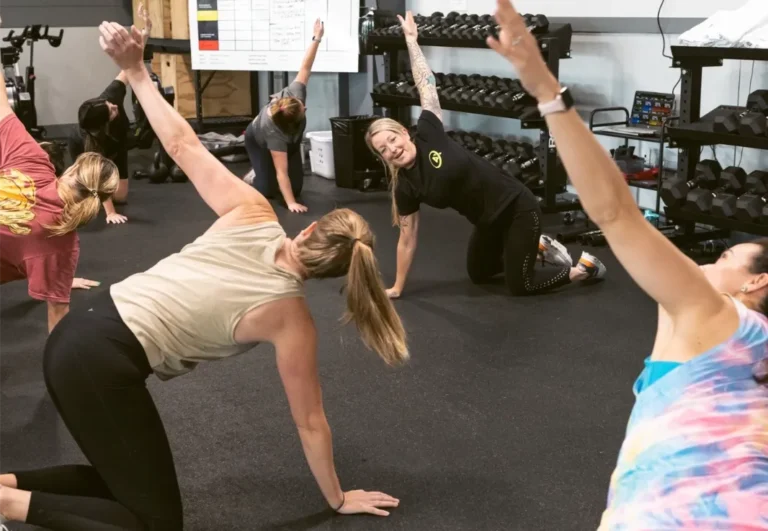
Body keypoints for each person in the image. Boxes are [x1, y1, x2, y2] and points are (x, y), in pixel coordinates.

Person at [0, 20, 403, 531]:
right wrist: (338, 496)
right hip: (99, 365)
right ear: (339, 274)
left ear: (313, 228)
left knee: (124, 484)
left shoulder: (255, 211)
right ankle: (8, 507)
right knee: (156, 522)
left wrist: (135, 72)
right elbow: (310, 423)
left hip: (84, 333)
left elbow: (184, 145)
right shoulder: (292, 321)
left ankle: (7, 487)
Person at [487, 0, 768, 528]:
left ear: (757, 280)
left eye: (726, 254)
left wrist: (549, 94)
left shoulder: (712, 315)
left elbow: (615, 213)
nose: (710, 260)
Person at [364, 12, 606, 299]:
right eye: (383, 149)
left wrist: (412, 42)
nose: (392, 149)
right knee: (479, 274)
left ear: (404, 133)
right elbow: (407, 239)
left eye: (392, 139)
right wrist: (397, 287)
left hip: (518, 208)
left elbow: (426, 84)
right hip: (488, 222)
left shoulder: (429, 132)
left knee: (520, 286)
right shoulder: (406, 186)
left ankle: (583, 269)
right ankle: (532, 248)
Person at [0, 18, 119, 334]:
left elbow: (2, 106)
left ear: (70, 168)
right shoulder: (61, 245)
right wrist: (58, 280)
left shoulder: (32, 162)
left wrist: (58, 278)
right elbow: (58, 318)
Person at [66, 6, 152, 225]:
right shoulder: (90, 144)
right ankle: (79, 182)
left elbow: (129, 68)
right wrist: (110, 213)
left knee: (121, 196)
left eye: (110, 105)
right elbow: (98, 174)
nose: (115, 107)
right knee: (85, 188)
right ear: (102, 124)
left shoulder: (108, 97)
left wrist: (145, 32)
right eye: (111, 111)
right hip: (89, 153)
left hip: (117, 143)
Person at [244, 18, 324, 213]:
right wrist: (291, 204)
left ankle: (267, 175)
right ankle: (254, 175)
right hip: (257, 141)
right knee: (267, 190)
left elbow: (306, 67)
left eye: (302, 105)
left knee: (294, 189)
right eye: (302, 110)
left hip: (292, 141)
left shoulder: (294, 94)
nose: (305, 108)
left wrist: (316, 38)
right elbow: (282, 173)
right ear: (291, 122)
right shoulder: (273, 132)